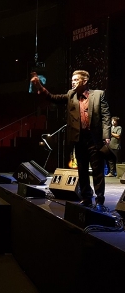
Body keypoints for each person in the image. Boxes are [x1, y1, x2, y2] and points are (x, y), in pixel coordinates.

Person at [31, 70, 111, 210]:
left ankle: (99, 201)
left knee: (98, 172)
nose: (72, 82)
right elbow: (52, 97)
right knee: (82, 171)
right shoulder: (70, 95)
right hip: (79, 139)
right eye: (72, 80)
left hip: (95, 139)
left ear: (84, 81)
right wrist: (39, 87)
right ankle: (87, 198)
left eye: (75, 80)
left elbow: (105, 116)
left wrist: (106, 136)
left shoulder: (98, 94)